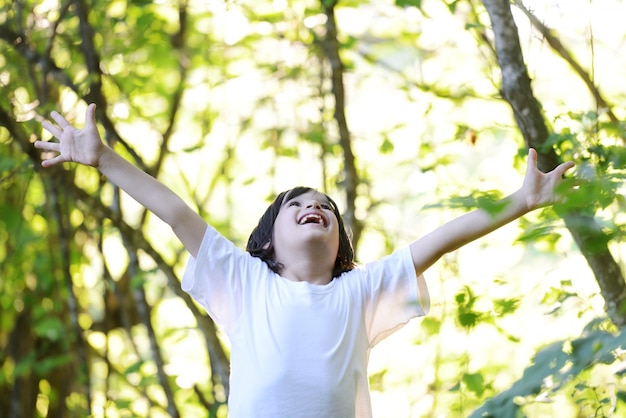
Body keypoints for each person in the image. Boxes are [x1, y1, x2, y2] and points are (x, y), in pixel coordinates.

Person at [36, 103, 575, 418]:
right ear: (268, 241)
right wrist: (102, 159)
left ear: (340, 244)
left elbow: (440, 240)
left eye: (325, 207)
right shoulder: (246, 281)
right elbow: (176, 213)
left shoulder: (360, 290)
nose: (314, 207)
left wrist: (520, 202)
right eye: (297, 205)